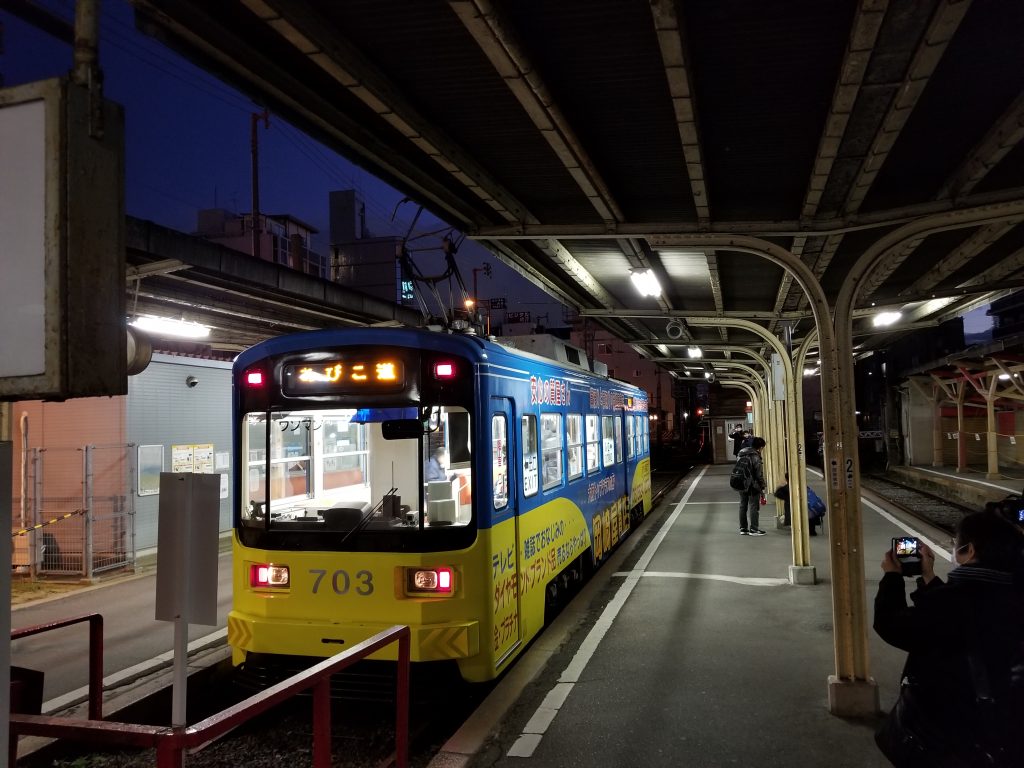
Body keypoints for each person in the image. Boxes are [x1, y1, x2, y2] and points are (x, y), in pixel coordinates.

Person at [873, 512, 1024, 767]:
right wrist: (929, 579)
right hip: (1005, 732)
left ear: (969, 550)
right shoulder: (1012, 596)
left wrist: (892, 577)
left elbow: (891, 624)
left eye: (956, 544)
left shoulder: (951, 602)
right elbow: (957, 618)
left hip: (952, 733)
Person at [736, 437, 767, 536]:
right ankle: (754, 529)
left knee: (743, 505)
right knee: (754, 506)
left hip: (741, 482)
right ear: (760, 447)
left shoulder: (741, 453)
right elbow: (758, 474)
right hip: (752, 485)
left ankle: (743, 528)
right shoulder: (756, 456)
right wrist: (762, 485)